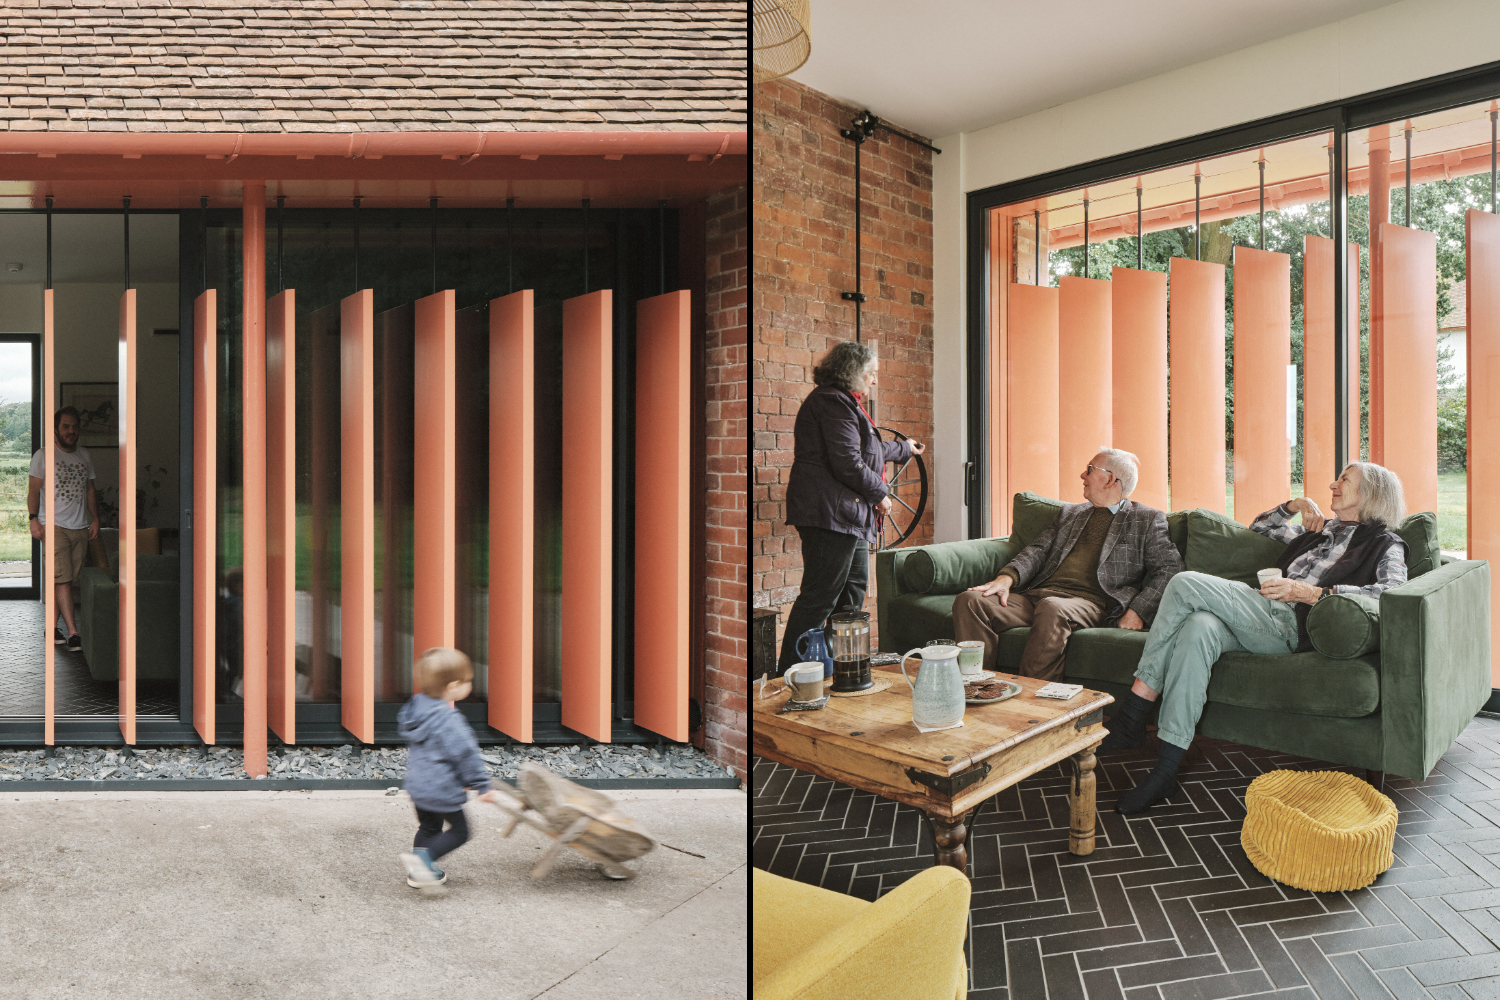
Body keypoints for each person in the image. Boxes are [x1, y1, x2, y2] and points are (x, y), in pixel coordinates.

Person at [1101, 462, 1409, 815]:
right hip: (1260, 616)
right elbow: (1260, 526)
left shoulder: (1385, 544)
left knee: (1184, 582)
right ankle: (1165, 770)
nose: (1333, 484)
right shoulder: (1320, 530)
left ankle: (1133, 715)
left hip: (1292, 624)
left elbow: (1391, 593)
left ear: (1369, 494)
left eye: (1344, 480)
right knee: (1197, 628)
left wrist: (1311, 593)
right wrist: (1295, 505)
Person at [953, 448, 1183, 681]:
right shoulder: (1071, 513)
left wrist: (1138, 610)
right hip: (1039, 597)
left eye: (1090, 470)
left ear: (1111, 479)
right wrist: (1006, 578)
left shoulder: (1145, 519)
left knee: (1053, 607)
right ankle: (977, 688)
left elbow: (1169, 569)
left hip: (1091, 603)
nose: (1082, 475)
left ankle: (1035, 702)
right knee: (971, 601)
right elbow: (1038, 550)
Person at [778, 340, 924, 672]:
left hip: (848, 518)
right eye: (871, 374)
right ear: (852, 372)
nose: (874, 381)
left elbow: (870, 449)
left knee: (851, 598)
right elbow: (848, 462)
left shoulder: (847, 405)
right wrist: (880, 493)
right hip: (829, 516)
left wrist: (904, 449)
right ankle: (788, 675)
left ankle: (841, 669)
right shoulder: (831, 403)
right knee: (820, 598)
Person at [397, 647, 500, 889]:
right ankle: (422, 862)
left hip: (418, 786)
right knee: (460, 831)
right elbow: (466, 755)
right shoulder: (449, 720)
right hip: (439, 789)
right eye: (467, 681)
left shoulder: (416, 708)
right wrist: (483, 786)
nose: (469, 685)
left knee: (429, 826)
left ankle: (418, 872)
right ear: (453, 686)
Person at [27, 407, 100, 652]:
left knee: (65, 581)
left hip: (80, 527)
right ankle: (73, 632)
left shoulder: (85, 456)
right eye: (66, 427)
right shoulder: (43, 455)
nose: (71, 431)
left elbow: (90, 489)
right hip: (53, 526)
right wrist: (33, 519)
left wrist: (95, 519)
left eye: (74, 427)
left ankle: (51, 627)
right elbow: (33, 491)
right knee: (64, 580)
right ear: (57, 429)